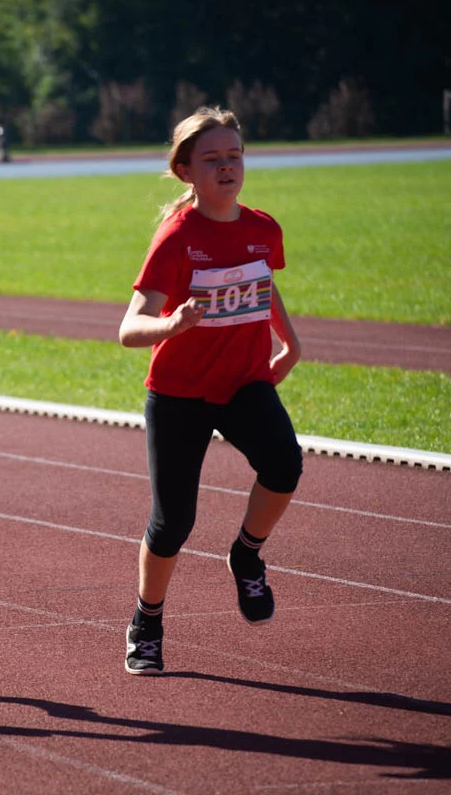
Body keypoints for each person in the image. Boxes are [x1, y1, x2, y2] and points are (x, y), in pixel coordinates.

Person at [118, 107, 304, 676]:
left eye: (235, 156)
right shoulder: (176, 239)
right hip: (178, 392)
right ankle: (147, 621)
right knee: (173, 522)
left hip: (244, 380)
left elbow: (260, 281)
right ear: (185, 172)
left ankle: (246, 556)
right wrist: (173, 326)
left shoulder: (262, 228)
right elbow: (129, 329)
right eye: (212, 159)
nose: (227, 167)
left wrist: (289, 343)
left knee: (284, 465)